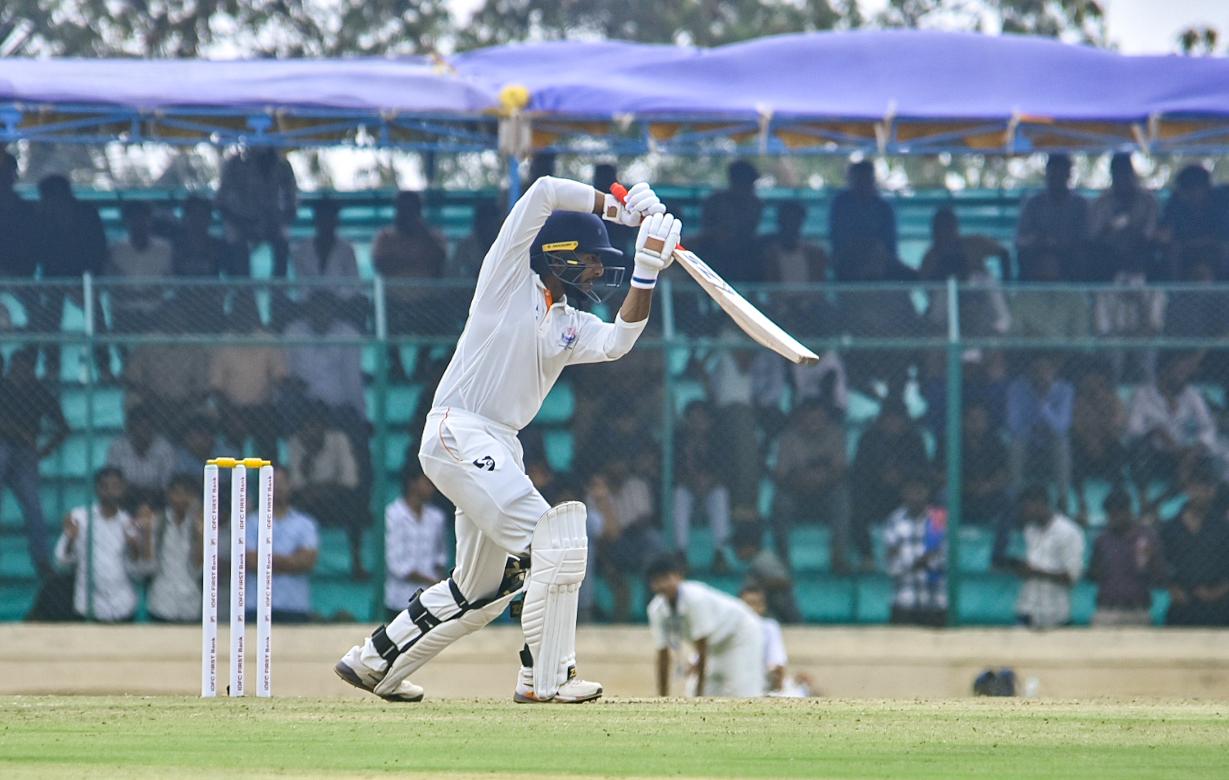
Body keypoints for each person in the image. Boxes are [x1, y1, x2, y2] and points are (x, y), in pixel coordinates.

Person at [334, 175, 677, 704]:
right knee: (556, 541)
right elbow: (541, 191)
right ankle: (546, 677)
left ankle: (375, 660)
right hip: (460, 429)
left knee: (480, 594)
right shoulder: (507, 275)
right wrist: (619, 209)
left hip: (498, 444)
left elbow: (618, 342)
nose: (596, 269)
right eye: (589, 259)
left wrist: (648, 274)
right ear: (558, 255)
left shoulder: (569, 322)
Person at [646, 555, 765, 698]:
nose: (662, 585)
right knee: (696, 696)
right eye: (656, 581)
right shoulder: (656, 610)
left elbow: (702, 645)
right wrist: (662, 699)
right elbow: (663, 654)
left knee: (745, 695)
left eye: (666, 578)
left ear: (678, 577)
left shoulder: (696, 598)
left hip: (740, 636)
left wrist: (699, 694)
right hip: (713, 645)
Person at [32, 174, 110, 380]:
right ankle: (52, 368)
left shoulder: (87, 213)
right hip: (54, 278)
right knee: (49, 320)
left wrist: (89, 281)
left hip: (85, 277)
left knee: (97, 320)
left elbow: (99, 248)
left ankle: (105, 368)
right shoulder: (43, 219)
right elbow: (40, 251)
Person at [0, 347, 69, 575]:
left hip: (25, 454)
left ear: (31, 370)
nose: (19, 372)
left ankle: (41, 559)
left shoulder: (38, 391)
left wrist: (45, 450)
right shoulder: (3, 386)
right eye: (15, 368)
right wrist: (20, 432)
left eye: (24, 368)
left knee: (34, 507)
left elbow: (64, 428)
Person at [52, 467, 152, 622]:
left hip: (122, 606)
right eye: (105, 486)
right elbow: (61, 563)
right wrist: (70, 539)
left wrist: (134, 547)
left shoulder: (129, 522)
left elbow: (139, 574)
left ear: (123, 489)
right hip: (88, 607)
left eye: (115, 487)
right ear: (96, 489)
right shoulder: (80, 518)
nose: (110, 491)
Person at [1126, 351, 1224, 499]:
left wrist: (1197, 446)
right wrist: (1155, 430)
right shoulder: (1143, 394)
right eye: (1180, 371)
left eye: (1186, 372)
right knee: (1140, 451)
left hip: (1185, 454)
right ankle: (1144, 499)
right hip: (1157, 455)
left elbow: (1208, 426)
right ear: (1166, 369)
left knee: (1216, 461)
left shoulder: (1192, 395)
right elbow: (1134, 429)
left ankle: (1211, 501)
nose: (1184, 376)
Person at [372, 190, 448, 381]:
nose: (406, 214)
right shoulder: (385, 237)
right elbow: (382, 265)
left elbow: (439, 261)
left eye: (411, 209)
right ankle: (396, 367)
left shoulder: (433, 236)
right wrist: (416, 260)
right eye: (402, 209)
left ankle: (421, 365)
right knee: (379, 313)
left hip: (426, 302)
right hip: (394, 302)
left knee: (444, 314)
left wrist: (422, 234)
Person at [286, 404, 365, 579]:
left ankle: (357, 562)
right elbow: (296, 484)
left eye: (315, 426)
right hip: (308, 501)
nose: (310, 432)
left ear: (324, 427)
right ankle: (295, 561)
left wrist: (319, 489)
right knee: (293, 504)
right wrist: (307, 462)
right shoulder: (296, 443)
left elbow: (349, 480)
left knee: (356, 503)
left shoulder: (339, 440)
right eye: (306, 428)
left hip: (337, 498)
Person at [771, 401, 853, 571]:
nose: (813, 423)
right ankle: (782, 558)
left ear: (825, 419)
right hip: (796, 493)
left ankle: (838, 557)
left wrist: (821, 478)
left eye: (818, 419)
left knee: (842, 497)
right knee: (780, 502)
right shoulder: (787, 438)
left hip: (826, 492)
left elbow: (840, 470)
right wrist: (802, 479)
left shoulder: (836, 435)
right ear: (800, 419)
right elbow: (780, 475)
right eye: (809, 419)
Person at [208, 295, 287, 459]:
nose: (244, 316)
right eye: (240, 311)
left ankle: (269, 482)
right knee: (230, 435)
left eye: (248, 311)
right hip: (231, 408)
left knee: (268, 431)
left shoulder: (269, 339)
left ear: (256, 315)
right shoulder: (222, 342)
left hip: (262, 408)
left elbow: (280, 377)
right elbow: (216, 388)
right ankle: (233, 482)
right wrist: (232, 415)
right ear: (232, 315)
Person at [590, 451, 663, 623]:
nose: (618, 468)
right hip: (606, 548)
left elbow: (644, 520)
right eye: (613, 464)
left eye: (621, 464)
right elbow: (607, 533)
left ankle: (653, 607)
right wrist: (603, 500)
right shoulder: (596, 490)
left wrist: (627, 528)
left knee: (653, 542)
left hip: (635, 542)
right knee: (621, 588)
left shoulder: (637, 485)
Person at [920, 207, 1011, 338]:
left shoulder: (974, 242)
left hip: (979, 298)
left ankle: (1002, 322)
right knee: (942, 293)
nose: (945, 230)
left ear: (955, 225)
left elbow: (1003, 252)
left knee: (985, 279)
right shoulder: (931, 256)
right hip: (948, 304)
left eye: (948, 225)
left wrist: (1006, 286)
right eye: (941, 226)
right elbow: (926, 286)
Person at [245, 466, 319, 624]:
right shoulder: (250, 522)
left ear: (290, 485)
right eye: (272, 481)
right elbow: (250, 561)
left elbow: (307, 562)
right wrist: (291, 560)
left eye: (281, 482)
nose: (277, 487)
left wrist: (265, 559)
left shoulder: (306, 524)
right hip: (256, 606)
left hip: (294, 606)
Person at [1160, 461, 1229, 627]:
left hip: (1217, 608)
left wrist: (1218, 591)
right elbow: (1159, 563)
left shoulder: (1223, 528)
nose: (1202, 493)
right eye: (1197, 487)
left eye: (1207, 488)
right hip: (1181, 605)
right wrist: (1171, 588)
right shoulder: (1170, 527)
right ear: (1188, 489)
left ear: (1213, 491)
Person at [1006, 484, 1085, 629]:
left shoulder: (1068, 532)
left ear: (1040, 503)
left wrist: (1036, 572)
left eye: (1026, 507)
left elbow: (1072, 577)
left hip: (1055, 613)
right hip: (1028, 609)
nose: (1024, 512)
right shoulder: (1030, 530)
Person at [216, 148, 297, 278]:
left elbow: (291, 202)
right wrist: (241, 221)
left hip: (273, 224)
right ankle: (245, 291)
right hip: (241, 223)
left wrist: (279, 222)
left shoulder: (283, 165)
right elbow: (221, 202)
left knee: (282, 241)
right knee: (236, 242)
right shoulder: (236, 163)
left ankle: (278, 291)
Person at [1089, 487, 1163, 627]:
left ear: (1127, 512)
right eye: (1109, 515)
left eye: (1115, 514)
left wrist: (1149, 559)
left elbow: (1160, 579)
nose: (1111, 519)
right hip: (1107, 610)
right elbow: (1092, 575)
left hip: (1138, 610)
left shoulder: (1147, 537)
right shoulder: (1102, 539)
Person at [384, 464, 448, 622]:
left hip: (430, 599)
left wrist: (436, 581)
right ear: (412, 484)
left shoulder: (436, 517)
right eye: (427, 483)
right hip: (399, 598)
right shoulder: (393, 514)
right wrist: (433, 582)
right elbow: (396, 564)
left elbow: (441, 554)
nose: (432, 488)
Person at [883, 471, 948, 627]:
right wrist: (923, 560)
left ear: (927, 492)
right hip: (904, 601)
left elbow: (941, 561)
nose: (915, 495)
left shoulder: (937, 520)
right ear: (903, 493)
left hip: (935, 602)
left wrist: (907, 560)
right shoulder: (894, 520)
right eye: (910, 490)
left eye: (919, 490)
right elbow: (892, 566)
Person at [1006, 353, 1074, 501]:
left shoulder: (1065, 390)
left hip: (1051, 442)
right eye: (1036, 370)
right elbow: (1014, 425)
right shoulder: (1017, 388)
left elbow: (1062, 427)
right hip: (1027, 441)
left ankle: (1062, 498)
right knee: (1016, 443)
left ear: (1053, 371)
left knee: (1062, 443)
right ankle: (1015, 498)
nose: (1041, 375)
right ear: (1030, 371)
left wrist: (1043, 404)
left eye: (1045, 370)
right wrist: (1034, 428)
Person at [671, 400, 732, 565]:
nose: (697, 423)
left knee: (720, 494)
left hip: (710, 489)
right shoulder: (677, 440)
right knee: (679, 495)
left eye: (702, 418)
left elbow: (724, 471)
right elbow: (672, 472)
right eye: (693, 418)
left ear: (710, 421)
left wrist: (708, 483)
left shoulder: (719, 440)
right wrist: (691, 482)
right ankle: (681, 552)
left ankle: (721, 552)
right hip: (688, 488)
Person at [106, 200, 173, 342]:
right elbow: (112, 286)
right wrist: (134, 295)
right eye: (133, 219)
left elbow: (170, 283)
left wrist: (154, 293)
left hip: (156, 315)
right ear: (126, 222)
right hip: (124, 316)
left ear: (150, 220)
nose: (138, 223)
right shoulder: (115, 250)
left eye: (142, 218)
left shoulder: (165, 249)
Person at [1015, 153, 1089, 280]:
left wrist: (1062, 245)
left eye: (1061, 173)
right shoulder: (1034, 204)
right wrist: (1039, 242)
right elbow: (1021, 240)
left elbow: (1086, 237)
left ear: (1068, 175)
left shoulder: (1080, 204)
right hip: (1038, 257)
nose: (1056, 178)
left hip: (1070, 259)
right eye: (1053, 173)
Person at [1088, 152, 1159, 282]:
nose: (1122, 179)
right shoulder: (1102, 202)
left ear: (1133, 174)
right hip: (1109, 253)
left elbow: (1149, 232)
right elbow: (1094, 234)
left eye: (1126, 173)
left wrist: (1132, 232)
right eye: (1118, 173)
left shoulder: (1147, 201)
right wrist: (1110, 228)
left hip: (1140, 252)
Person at [146, 474, 204, 623]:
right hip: (161, 602)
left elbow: (200, 570)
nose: (182, 498)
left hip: (190, 603)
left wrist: (201, 536)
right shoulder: (157, 522)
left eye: (187, 494)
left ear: (194, 497)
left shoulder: (200, 524)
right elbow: (148, 566)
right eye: (177, 493)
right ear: (168, 495)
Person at [829, 160, 898, 282]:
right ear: (851, 181)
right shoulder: (841, 204)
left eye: (866, 179)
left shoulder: (883, 208)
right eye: (858, 180)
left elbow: (889, 246)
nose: (862, 185)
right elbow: (839, 240)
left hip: (880, 266)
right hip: (847, 266)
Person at [105, 404, 177, 507]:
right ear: (130, 428)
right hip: (125, 498)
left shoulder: (165, 449)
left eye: (147, 426)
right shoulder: (118, 447)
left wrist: (147, 494)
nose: (143, 431)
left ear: (154, 428)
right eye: (138, 426)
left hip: (155, 500)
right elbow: (112, 477)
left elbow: (167, 485)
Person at [731, 521, 800, 624]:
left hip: (780, 616)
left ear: (749, 546)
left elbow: (785, 581)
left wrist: (758, 585)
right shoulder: (756, 560)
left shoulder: (764, 559)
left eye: (737, 546)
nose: (735, 551)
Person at [0, 151, 39, 327]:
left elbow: (33, 243)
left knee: (37, 311)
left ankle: (32, 350)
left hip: (20, 273)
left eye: (8, 172)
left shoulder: (26, 210)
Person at [958, 401, 1010, 526]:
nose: (976, 424)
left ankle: (1001, 533)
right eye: (972, 419)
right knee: (943, 496)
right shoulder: (951, 440)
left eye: (980, 419)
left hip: (989, 491)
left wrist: (988, 486)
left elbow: (1004, 472)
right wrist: (967, 486)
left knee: (1010, 494)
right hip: (961, 491)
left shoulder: (995, 442)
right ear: (964, 422)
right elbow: (938, 474)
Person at [450, 198, 501, 279]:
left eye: (491, 220)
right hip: (467, 290)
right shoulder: (465, 247)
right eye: (484, 220)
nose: (487, 226)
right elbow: (451, 275)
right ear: (477, 222)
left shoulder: (503, 245)